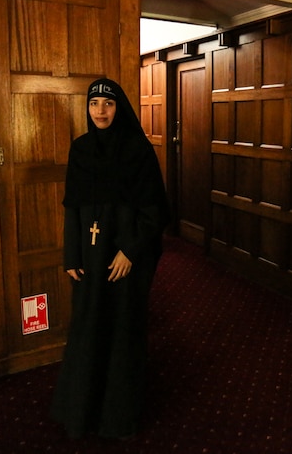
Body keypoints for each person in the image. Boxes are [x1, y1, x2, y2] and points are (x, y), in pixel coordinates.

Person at [50, 77, 170, 440]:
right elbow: (72, 208)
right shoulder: (81, 149)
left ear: (120, 108)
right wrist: (71, 253)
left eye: (109, 104)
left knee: (121, 332)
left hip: (123, 259)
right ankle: (82, 412)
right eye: (94, 104)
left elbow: (155, 211)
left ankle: (117, 418)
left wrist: (130, 251)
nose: (100, 111)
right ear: (87, 109)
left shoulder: (137, 151)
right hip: (88, 257)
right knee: (88, 329)